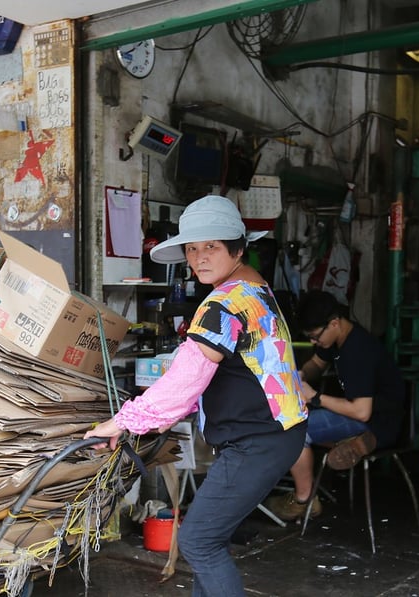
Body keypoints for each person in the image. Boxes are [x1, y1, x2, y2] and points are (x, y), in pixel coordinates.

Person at [85, 195, 308, 597]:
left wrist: (121, 421)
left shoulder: (224, 304)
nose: (199, 257)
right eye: (192, 248)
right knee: (210, 539)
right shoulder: (253, 286)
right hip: (275, 434)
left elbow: (186, 380)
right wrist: (151, 417)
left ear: (237, 249)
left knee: (198, 541)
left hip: (257, 441)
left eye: (212, 247)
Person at [265, 290, 405, 522]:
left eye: (315, 336)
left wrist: (315, 397)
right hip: (362, 413)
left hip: (376, 421)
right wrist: (300, 375)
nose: (312, 342)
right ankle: (340, 450)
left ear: (334, 323)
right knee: (292, 421)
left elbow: (361, 411)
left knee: (293, 429)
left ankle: (304, 500)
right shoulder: (336, 338)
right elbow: (317, 363)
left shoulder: (358, 350)